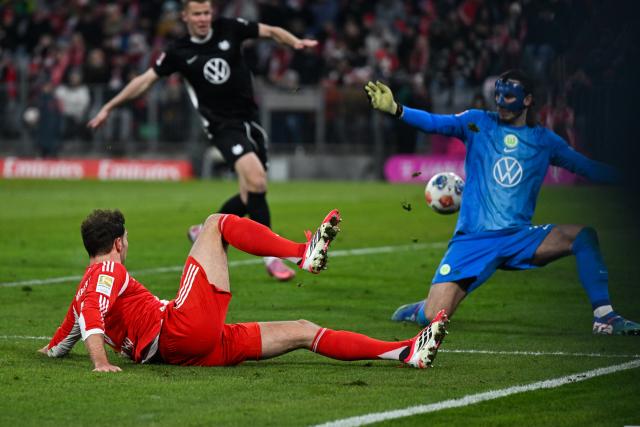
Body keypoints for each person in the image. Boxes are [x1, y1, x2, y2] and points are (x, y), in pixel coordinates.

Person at [364, 69, 640, 336]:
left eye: (509, 96)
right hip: (473, 241)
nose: (501, 102)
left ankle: (605, 317)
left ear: (528, 100)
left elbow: (587, 168)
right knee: (435, 317)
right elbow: (435, 123)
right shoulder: (476, 123)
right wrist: (396, 109)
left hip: (519, 237)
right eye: (498, 95)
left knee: (583, 236)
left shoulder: (545, 141)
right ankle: (421, 310)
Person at [39, 209, 449, 371]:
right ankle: (301, 253)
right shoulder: (107, 270)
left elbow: (67, 336)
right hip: (179, 330)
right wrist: (99, 363)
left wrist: (52, 351)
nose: (127, 244)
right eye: (126, 238)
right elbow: (92, 315)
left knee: (303, 329)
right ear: (117, 244)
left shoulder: (85, 288)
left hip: (189, 352)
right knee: (217, 223)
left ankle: (405, 351)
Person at [88, 0, 317, 282]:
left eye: (207, 12)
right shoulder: (179, 52)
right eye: (197, 14)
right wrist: (109, 106)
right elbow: (145, 81)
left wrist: (294, 42)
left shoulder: (229, 29)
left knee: (250, 195)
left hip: (251, 124)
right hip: (222, 127)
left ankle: (202, 229)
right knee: (257, 181)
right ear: (185, 16)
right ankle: (271, 256)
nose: (203, 18)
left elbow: (269, 31)